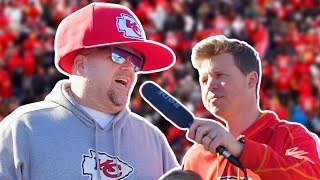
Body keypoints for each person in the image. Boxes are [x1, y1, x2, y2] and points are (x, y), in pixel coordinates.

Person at [0, 2, 179, 180]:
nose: (129, 68)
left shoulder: (153, 140)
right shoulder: (23, 128)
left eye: (135, 61)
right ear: (81, 65)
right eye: (119, 56)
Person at [182, 35, 320, 179]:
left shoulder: (289, 136)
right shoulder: (196, 157)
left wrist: (240, 149)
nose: (210, 85)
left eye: (220, 75)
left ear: (251, 80)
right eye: (204, 80)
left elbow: (311, 176)